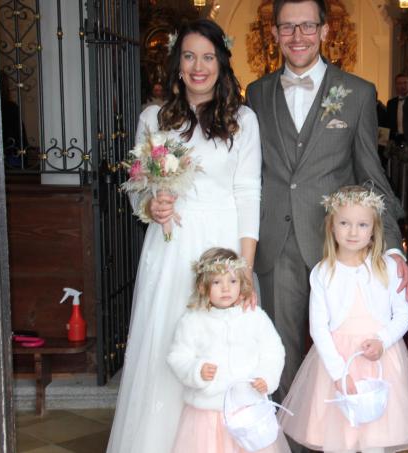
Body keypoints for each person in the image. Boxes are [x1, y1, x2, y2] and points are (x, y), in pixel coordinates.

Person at [107, 19, 262, 453]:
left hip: (223, 249)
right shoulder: (152, 119)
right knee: (166, 343)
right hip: (171, 247)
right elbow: (140, 186)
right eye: (190, 56)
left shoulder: (243, 121)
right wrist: (152, 205)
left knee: (220, 348)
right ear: (177, 64)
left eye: (208, 57)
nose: (199, 66)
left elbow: (249, 193)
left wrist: (244, 270)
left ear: (221, 62)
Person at [245, 0, 408, 405]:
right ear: (274, 34)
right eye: (287, 28)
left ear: (324, 30)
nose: (297, 37)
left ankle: (337, 434)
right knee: (279, 350)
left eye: (306, 26)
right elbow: (247, 173)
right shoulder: (257, 92)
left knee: (340, 346)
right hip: (277, 241)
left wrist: (391, 246)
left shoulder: (357, 92)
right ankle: (286, 441)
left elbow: (371, 175)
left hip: (342, 247)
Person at [279, 186, 408, 453]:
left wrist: (383, 340)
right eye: (344, 223)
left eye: (362, 225)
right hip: (337, 363)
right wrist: (339, 373)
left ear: (374, 230)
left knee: (376, 437)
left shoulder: (387, 267)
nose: (353, 232)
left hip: (379, 360)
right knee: (340, 438)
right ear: (331, 226)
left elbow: (405, 314)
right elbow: (318, 328)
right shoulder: (323, 272)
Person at [168, 248, 289, 453]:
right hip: (207, 414)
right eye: (217, 282)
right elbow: (178, 356)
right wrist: (196, 370)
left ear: (241, 284)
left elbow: (273, 351)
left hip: (247, 409)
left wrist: (266, 377)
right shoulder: (193, 321)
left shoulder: (254, 316)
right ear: (203, 286)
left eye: (232, 281)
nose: (226, 289)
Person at [386, 73, 408, 144]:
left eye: (405, 83)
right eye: (399, 83)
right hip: (396, 140)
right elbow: (389, 123)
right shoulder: (391, 103)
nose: (403, 86)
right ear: (396, 85)